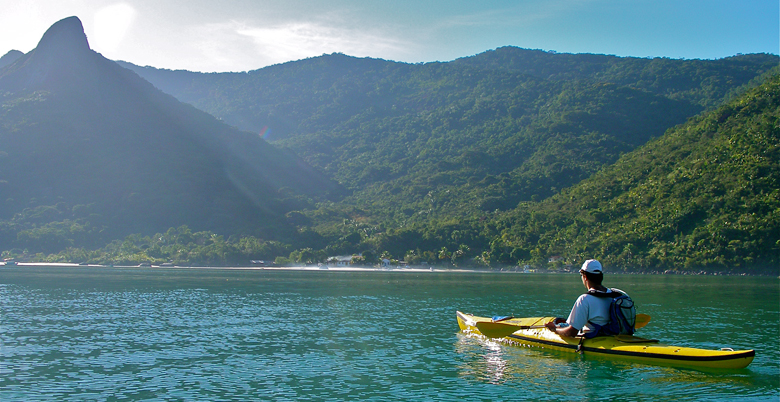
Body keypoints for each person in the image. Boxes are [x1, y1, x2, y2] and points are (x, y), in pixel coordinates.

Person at [544, 259, 618, 338]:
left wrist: (554, 329)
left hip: (594, 339)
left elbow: (571, 332)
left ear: (585, 277)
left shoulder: (584, 299)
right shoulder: (615, 294)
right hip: (615, 337)